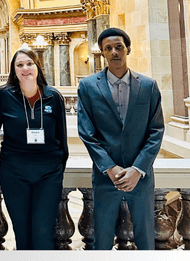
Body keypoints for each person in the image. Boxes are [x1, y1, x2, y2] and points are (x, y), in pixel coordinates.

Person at [77, 27, 164, 250]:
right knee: (102, 239)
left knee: (146, 238)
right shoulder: (87, 87)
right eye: (108, 48)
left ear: (128, 49)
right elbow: (87, 133)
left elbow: (156, 131)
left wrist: (138, 169)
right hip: (106, 177)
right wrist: (109, 167)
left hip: (141, 177)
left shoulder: (148, 86)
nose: (114, 52)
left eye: (118, 47)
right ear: (102, 53)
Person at [0, 48, 68, 250]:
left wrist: (57, 168)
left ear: (37, 67)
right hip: (14, 172)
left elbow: (62, 139)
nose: (25, 68)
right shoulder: (3, 96)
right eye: (19, 65)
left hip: (48, 173)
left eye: (29, 63)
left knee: (44, 233)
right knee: (23, 233)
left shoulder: (54, 97)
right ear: (14, 70)